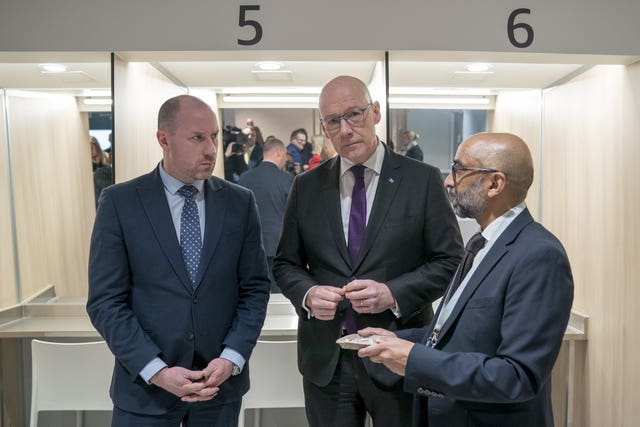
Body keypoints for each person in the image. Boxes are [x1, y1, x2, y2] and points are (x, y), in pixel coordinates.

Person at [273, 75, 463, 427]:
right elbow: (285, 263)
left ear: (375, 112)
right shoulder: (306, 186)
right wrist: (309, 292)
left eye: (354, 115)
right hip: (326, 360)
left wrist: (393, 293)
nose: (345, 129)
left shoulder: (421, 180)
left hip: (398, 353)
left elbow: (451, 262)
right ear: (324, 128)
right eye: (333, 121)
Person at [358, 132, 574, 427]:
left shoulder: (539, 256)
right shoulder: (480, 245)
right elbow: (460, 335)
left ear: (494, 183)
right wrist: (399, 340)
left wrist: (415, 360)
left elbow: (516, 376)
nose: (449, 181)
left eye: (459, 170)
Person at [87, 94, 271, 426]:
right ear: (164, 139)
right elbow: (105, 301)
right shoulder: (120, 203)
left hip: (218, 391)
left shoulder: (240, 203)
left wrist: (231, 357)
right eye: (197, 138)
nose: (211, 149)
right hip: (144, 393)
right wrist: (156, 370)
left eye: (214, 136)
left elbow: (255, 289)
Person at [239, 138, 294, 293]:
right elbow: (294, 216)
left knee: (253, 293)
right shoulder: (287, 180)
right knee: (278, 297)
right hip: (278, 247)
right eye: (285, 155)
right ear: (279, 153)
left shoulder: (244, 178)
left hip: (250, 246)